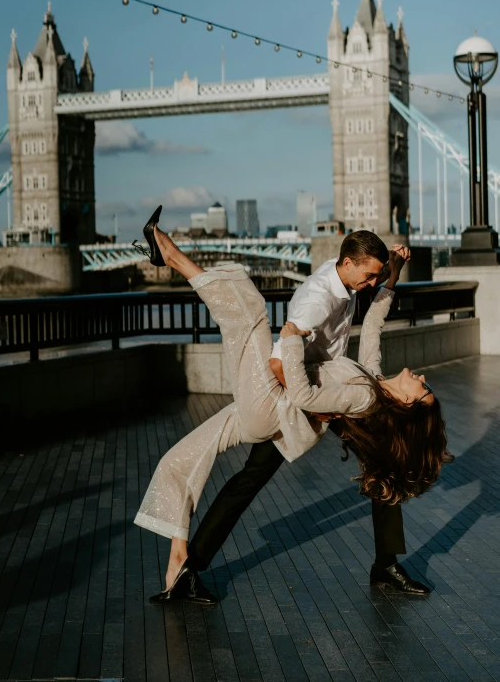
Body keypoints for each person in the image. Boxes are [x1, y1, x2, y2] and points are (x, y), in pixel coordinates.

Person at [134, 211, 452, 605]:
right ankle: (191, 566)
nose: (370, 285)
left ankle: (385, 565)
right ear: (348, 264)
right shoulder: (314, 301)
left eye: (374, 278)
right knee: (253, 476)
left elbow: (372, 326)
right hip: (300, 398)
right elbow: (280, 365)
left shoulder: (351, 290)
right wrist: (312, 400)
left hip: (331, 398)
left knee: (383, 467)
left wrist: (392, 273)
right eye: (368, 276)